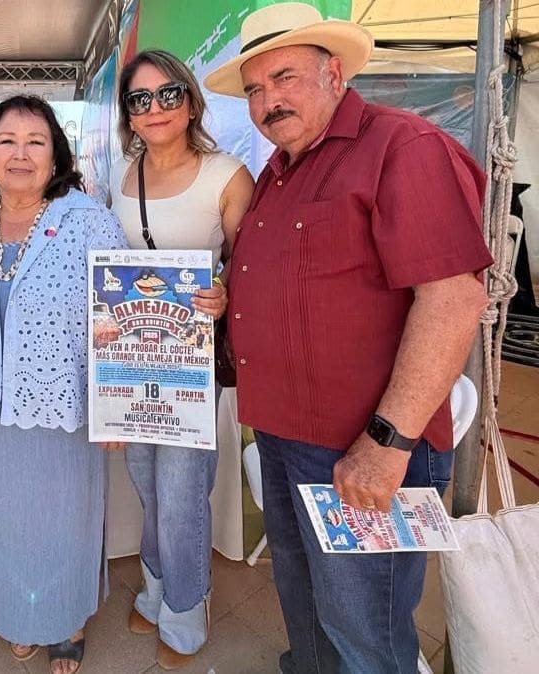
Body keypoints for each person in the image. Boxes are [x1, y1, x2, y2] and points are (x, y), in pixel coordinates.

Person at [203, 4, 493, 673]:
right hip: (282, 433)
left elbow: (452, 299)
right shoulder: (279, 170)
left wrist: (387, 443)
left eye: (283, 78)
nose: (268, 101)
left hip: (362, 446)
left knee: (366, 631)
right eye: (254, 89)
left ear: (334, 73)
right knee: (305, 599)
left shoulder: (403, 146)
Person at [0, 95, 127, 674]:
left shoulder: (88, 220)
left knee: (64, 524)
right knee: (1, 526)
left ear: (55, 155)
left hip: (64, 413)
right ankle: (16, 612)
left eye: (35, 142)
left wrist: (115, 404)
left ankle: (66, 620)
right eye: (7, 141)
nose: (21, 153)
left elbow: (121, 316)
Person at [109, 49, 254, 670]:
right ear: (129, 115)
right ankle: (156, 585)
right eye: (140, 99)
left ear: (190, 102)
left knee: (181, 488)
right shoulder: (120, 176)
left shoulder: (228, 175)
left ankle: (187, 609)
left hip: (191, 360)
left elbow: (250, 266)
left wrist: (225, 293)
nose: (155, 108)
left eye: (168, 94)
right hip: (130, 359)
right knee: (146, 479)